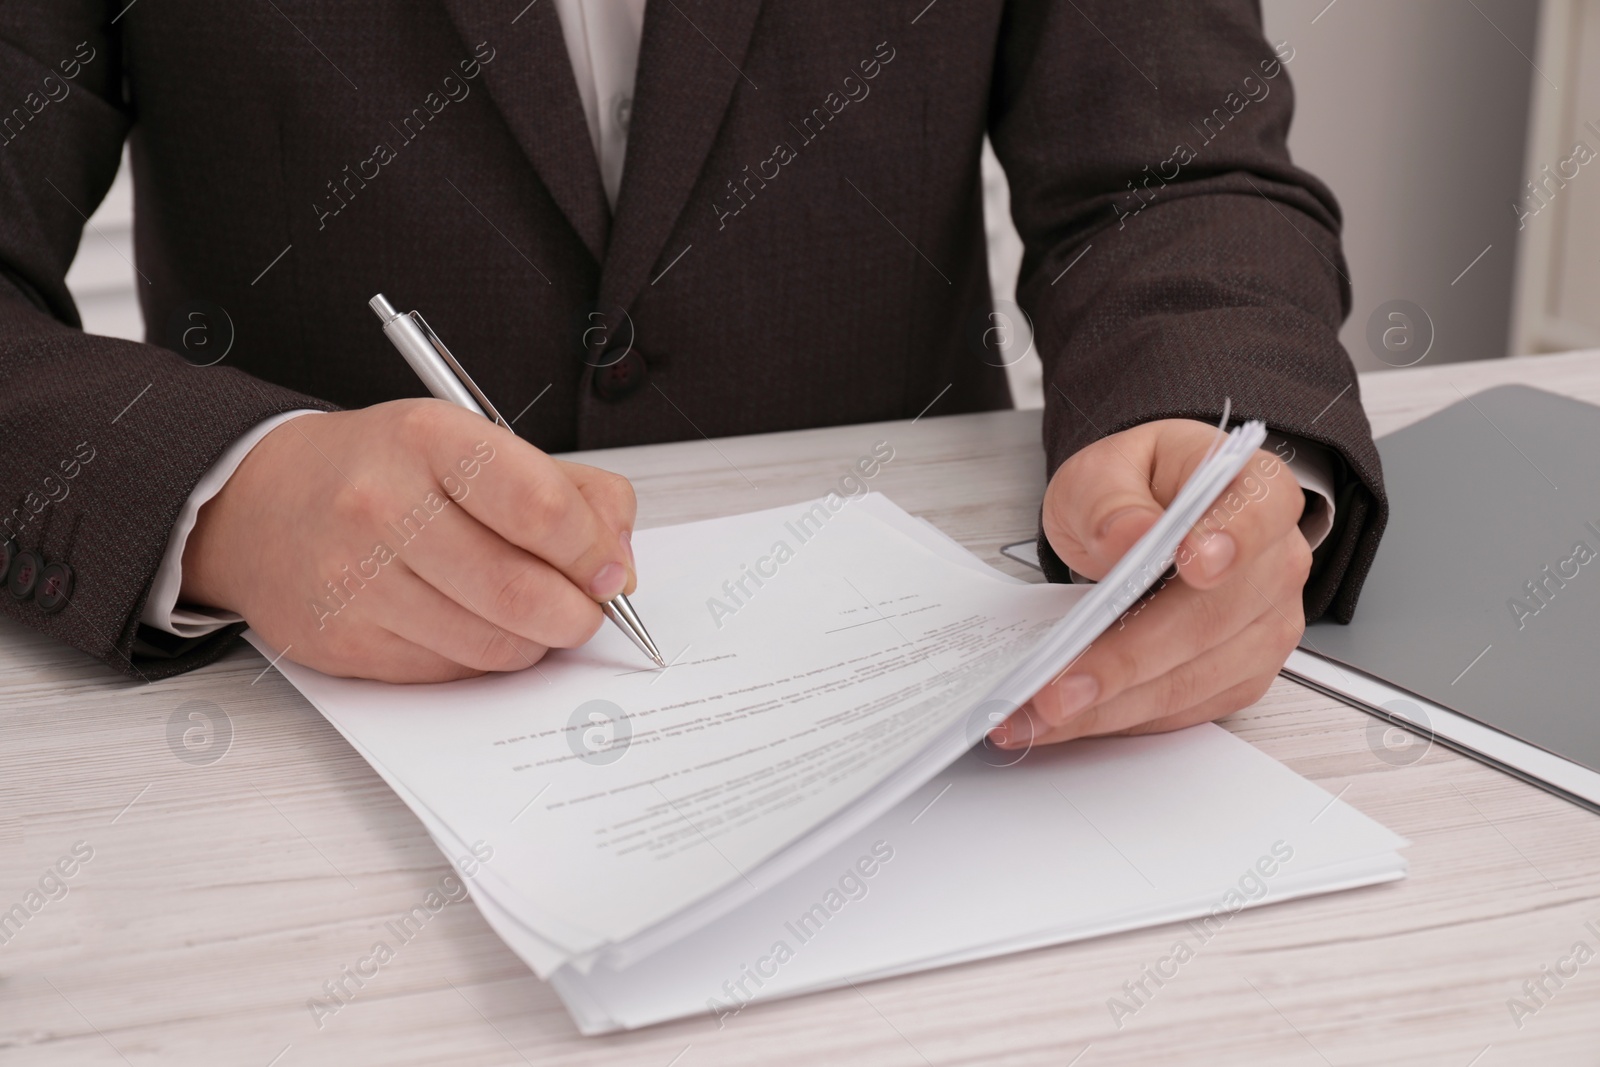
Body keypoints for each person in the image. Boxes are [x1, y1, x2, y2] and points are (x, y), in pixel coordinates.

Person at [0, 0, 1384, 748]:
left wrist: (1209, 458)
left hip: (939, 724)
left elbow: (1176, 172)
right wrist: (228, 496)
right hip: (281, 744)